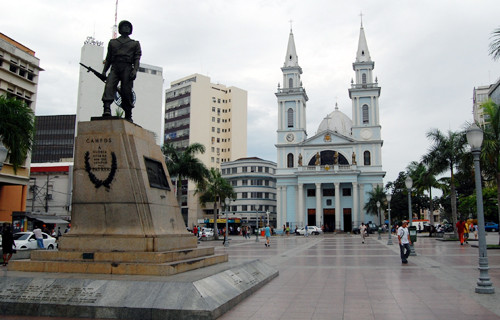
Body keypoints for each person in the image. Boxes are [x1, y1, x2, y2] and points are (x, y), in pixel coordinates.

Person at [101, 20, 142, 122]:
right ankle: (106, 108)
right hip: (115, 67)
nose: (126, 28)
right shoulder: (113, 43)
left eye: (128, 26)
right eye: (124, 26)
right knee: (109, 86)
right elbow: (108, 58)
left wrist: (135, 70)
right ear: (120, 29)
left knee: (126, 90)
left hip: (127, 68)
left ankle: (128, 113)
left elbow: (137, 59)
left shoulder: (134, 44)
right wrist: (104, 71)